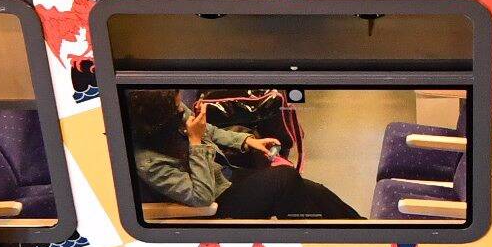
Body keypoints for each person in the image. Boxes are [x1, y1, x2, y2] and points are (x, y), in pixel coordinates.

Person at [124, 88, 360, 219]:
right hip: (215, 205)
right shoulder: (148, 162)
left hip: (225, 177)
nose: (182, 110)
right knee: (285, 179)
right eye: (177, 107)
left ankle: (362, 229)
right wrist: (195, 142)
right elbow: (201, 196)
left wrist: (247, 141)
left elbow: (211, 131)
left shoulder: (171, 114)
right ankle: (310, 238)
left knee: (312, 189)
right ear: (160, 120)